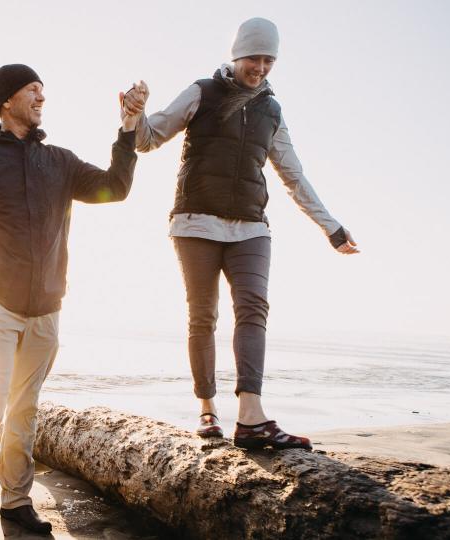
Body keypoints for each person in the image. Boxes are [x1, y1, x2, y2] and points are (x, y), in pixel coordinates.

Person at [123, 17, 359, 451]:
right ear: (237, 55)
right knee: (203, 316)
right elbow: (148, 139)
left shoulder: (271, 109)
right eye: (255, 58)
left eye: (270, 60)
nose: (262, 67)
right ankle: (207, 410)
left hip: (251, 227)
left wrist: (332, 227)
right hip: (195, 223)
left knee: (253, 308)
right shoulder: (203, 92)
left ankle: (251, 417)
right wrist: (133, 116)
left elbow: (293, 176)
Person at [0, 64, 142, 540]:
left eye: (43, 88)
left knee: (24, 410)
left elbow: (116, 188)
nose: (41, 95)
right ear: (6, 101)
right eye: (31, 89)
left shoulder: (59, 162)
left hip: (46, 309)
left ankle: (17, 502)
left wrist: (127, 130)